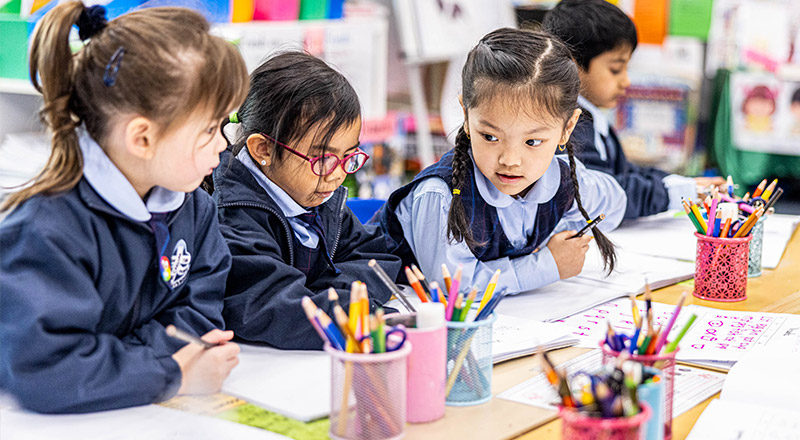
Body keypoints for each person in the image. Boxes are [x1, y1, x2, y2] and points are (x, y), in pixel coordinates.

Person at [0, 2, 249, 413]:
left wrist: (127, 360)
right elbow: (46, 369)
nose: (224, 144)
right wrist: (171, 373)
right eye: (210, 128)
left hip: (130, 414)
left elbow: (202, 309)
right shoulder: (47, 229)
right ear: (142, 138)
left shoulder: (194, 208)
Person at [373, 28, 626, 295]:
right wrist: (547, 264)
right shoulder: (441, 194)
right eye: (490, 136)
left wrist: (564, 228)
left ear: (568, 127)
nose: (510, 160)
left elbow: (614, 203)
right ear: (466, 116)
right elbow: (451, 286)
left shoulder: (564, 178)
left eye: (532, 142)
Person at [211, 52, 402, 350]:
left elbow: (377, 260)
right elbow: (271, 307)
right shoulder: (233, 215)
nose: (338, 174)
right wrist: (355, 310)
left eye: (349, 156)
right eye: (324, 158)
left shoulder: (316, 195)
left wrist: (327, 293)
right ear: (263, 149)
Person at [543, 0, 724, 219]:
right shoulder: (570, 128)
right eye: (616, 69)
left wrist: (683, 184)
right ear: (571, 65)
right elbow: (606, 193)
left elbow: (626, 172)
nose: (626, 81)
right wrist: (676, 193)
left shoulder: (593, 118)